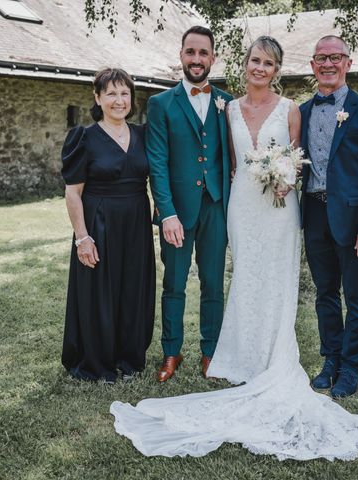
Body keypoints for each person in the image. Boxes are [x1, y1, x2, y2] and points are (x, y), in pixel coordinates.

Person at [110, 36, 358, 461]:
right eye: (255, 60)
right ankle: (212, 353)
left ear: (277, 69)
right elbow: (223, 161)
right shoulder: (227, 108)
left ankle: (273, 356)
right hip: (239, 206)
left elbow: (298, 159)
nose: (260, 68)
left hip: (278, 208)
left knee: (271, 279)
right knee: (242, 276)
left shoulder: (291, 110)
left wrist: (285, 178)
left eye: (268, 63)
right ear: (244, 64)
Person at [301, 36, 358, 398]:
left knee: (356, 294)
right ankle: (331, 358)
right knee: (325, 292)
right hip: (313, 212)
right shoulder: (303, 110)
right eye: (321, 58)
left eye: (334, 57)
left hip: (354, 219)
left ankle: (351, 366)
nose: (328, 64)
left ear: (348, 63)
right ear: (312, 65)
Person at [146, 26, 233, 382]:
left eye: (203, 53)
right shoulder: (160, 104)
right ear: (181, 55)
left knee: (213, 283)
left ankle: (211, 352)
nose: (196, 59)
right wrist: (166, 213)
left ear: (213, 58)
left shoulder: (228, 102)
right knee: (175, 284)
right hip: (177, 211)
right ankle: (171, 351)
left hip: (216, 206)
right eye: (190, 52)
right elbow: (157, 163)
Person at [60, 68, 155, 384]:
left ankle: (128, 359)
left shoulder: (143, 134)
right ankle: (97, 362)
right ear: (97, 97)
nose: (119, 100)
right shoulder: (83, 138)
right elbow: (73, 193)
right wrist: (82, 237)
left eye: (124, 93)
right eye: (111, 93)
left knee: (132, 288)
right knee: (99, 292)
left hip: (136, 224)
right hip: (98, 224)